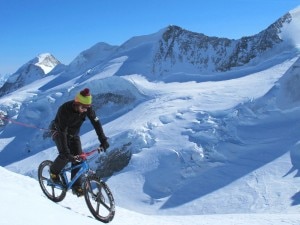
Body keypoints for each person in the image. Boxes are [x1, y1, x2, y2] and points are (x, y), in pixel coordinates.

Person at [49, 88, 109, 196]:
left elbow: (96, 124)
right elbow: (62, 132)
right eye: (83, 107)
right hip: (58, 132)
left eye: (88, 107)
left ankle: (76, 186)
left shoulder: (87, 108)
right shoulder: (64, 110)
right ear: (77, 103)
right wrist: (67, 153)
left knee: (79, 158)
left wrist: (103, 140)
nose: (85, 110)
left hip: (73, 135)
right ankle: (53, 172)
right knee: (64, 156)